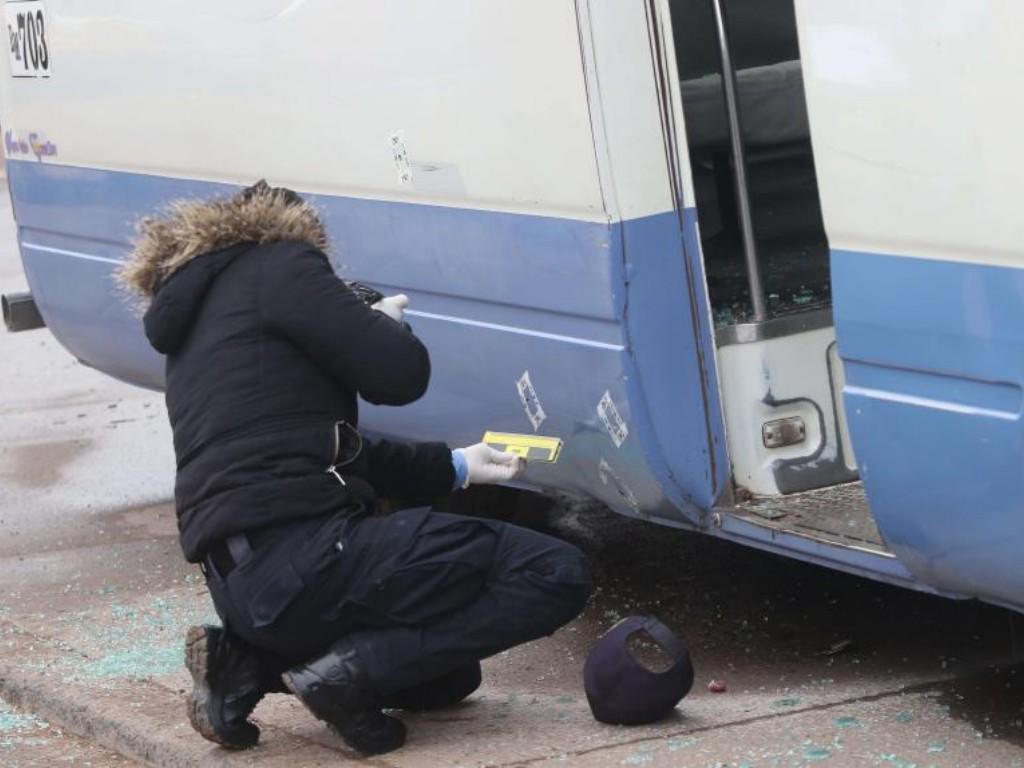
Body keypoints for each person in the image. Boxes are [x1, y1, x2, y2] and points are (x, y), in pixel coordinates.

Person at [116, 181, 592, 755]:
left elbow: (323, 449)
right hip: (308, 558)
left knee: (449, 678)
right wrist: (385, 326)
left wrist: (457, 466)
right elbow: (400, 376)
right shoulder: (283, 261)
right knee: (554, 572)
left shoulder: (205, 318)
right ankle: (346, 675)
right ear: (301, 231)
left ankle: (245, 667)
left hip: (243, 588)